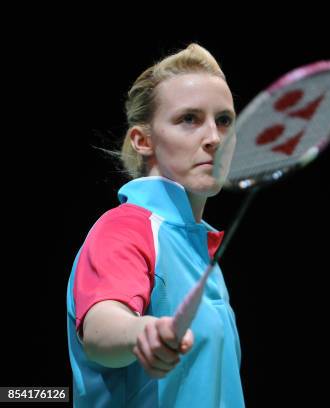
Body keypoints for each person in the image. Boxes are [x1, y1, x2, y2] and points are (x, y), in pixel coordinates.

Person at [66, 43, 244, 407]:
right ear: (143, 141)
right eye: (189, 119)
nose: (213, 137)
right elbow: (101, 326)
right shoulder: (127, 229)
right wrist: (140, 332)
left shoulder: (197, 246)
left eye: (224, 120)